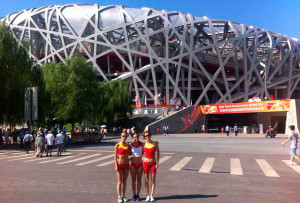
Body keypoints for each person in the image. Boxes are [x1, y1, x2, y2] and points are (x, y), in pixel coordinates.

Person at [143, 130, 160, 202]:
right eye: (146, 136)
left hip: (153, 163)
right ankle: (147, 195)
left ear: (150, 135)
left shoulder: (155, 143)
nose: (147, 137)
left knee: (153, 180)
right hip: (146, 163)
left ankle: (152, 195)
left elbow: (158, 152)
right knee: (146, 180)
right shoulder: (143, 144)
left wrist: (157, 162)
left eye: (148, 135)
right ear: (144, 137)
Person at [114, 131, 131, 203]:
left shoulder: (128, 145)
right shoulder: (117, 145)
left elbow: (130, 153)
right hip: (120, 164)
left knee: (125, 181)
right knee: (119, 181)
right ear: (121, 137)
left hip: (126, 165)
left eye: (126, 136)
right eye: (123, 136)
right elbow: (115, 156)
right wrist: (116, 165)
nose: (124, 137)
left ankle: (123, 196)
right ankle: (119, 196)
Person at [129, 133, 144, 201]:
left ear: (139, 137)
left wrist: (155, 143)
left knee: (139, 180)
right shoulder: (130, 145)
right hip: (133, 165)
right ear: (133, 137)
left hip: (140, 164)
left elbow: (149, 143)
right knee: (133, 180)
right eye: (135, 137)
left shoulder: (142, 144)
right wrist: (129, 157)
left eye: (137, 137)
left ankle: (138, 195)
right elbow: (128, 153)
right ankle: (134, 194)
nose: (136, 138)